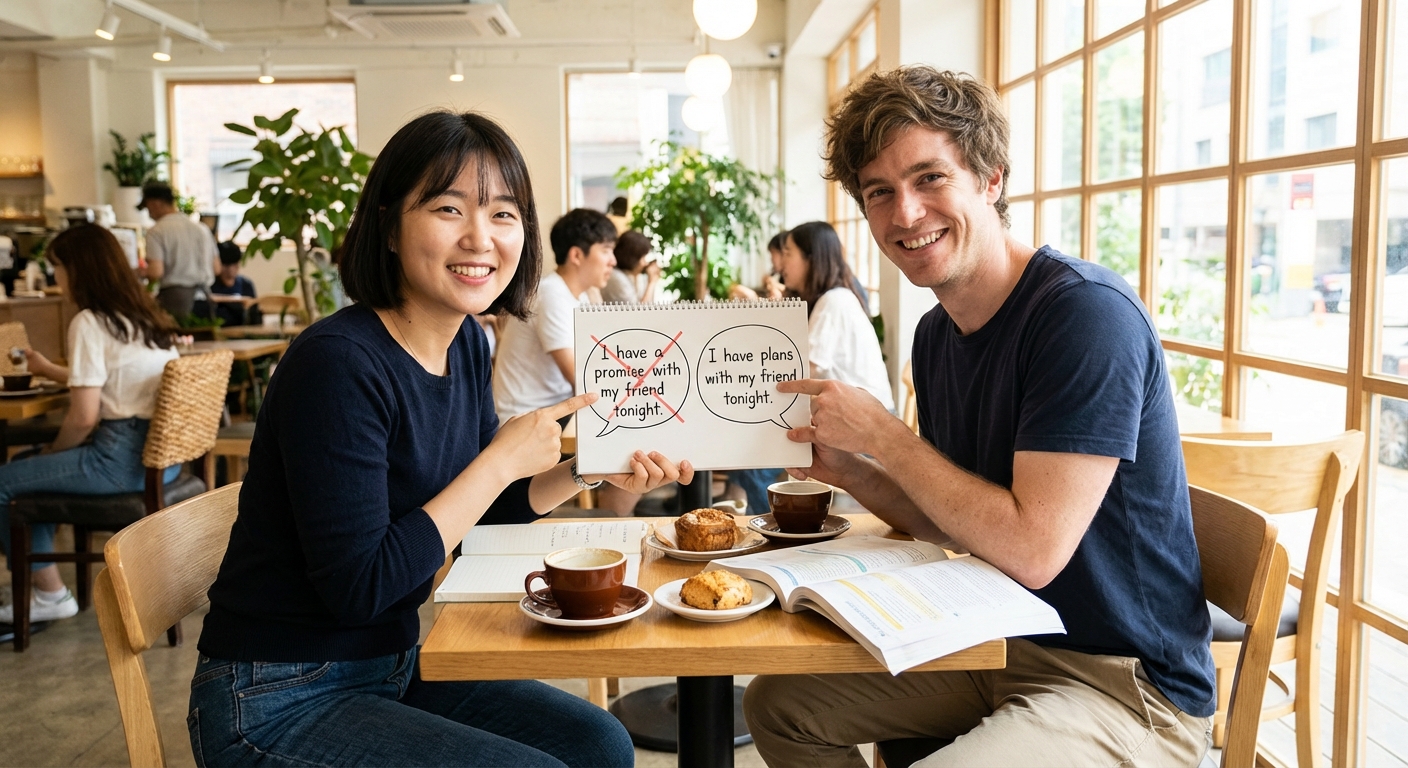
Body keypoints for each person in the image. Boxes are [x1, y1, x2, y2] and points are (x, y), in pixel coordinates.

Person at [188, 111, 691, 767]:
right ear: (390, 225)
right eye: (450, 209)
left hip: (388, 667)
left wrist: (588, 468)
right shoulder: (338, 363)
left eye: (503, 214)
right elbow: (359, 588)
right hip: (274, 697)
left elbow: (485, 514)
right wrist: (497, 460)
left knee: (599, 742)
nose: (480, 238)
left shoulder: (469, 345)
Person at [743, 67, 1214, 767]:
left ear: (991, 179)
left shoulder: (1084, 315)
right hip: (1001, 639)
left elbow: (1032, 548)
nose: (904, 213)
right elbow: (953, 519)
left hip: (1126, 685)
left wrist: (886, 435)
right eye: (879, 193)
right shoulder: (936, 336)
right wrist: (854, 473)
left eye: (930, 178)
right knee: (779, 707)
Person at [0, 224, 180, 626]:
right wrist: (50, 369)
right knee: (30, 468)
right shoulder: (144, 318)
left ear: (78, 270)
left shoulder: (88, 322)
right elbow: (115, 379)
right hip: (160, 460)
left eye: (58, 268)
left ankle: (49, 593)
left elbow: (84, 417)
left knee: (6, 480)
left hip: (117, 460)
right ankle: (45, 587)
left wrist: (53, 453)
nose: (55, 278)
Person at [731, 222, 894, 516]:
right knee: (749, 449)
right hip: (848, 419)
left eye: (788, 253)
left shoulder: (834, 302)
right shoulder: (831, 299)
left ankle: (765, 533)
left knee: (753, 462)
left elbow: (801, 373)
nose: (782, 265)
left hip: (866, 429)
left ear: (811, 258)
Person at [492, 208, 640, 516]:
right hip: (524, 422)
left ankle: (613, 520)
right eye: (606, 250)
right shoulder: (552, 295)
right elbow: (582, 378)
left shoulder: (576, 296)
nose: (613, 260)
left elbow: (603, 358)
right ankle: (612, 522)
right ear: (576, 255)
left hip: (555, 411)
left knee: (633, 432)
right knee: (630, 442)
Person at [139, 181, 217, 319]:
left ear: (154, 203)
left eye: (147, 208)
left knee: (176, 338)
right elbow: (216, 268)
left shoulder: (157, 231)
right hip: (204, 297)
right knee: (203, 338)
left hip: (175, 298)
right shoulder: (202, 228)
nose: (149, 214)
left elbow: (156, 271)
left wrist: (135, 273)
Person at [209, 240, 262, 328]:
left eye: (234, 264)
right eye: (226, 265)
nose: (230, 269)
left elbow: (254, 315)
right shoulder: (210, 286)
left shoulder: (246, 285)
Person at [601, 230, 660, 304]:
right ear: (632, 258)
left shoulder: (633, 276)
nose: (645, 263)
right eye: (643, 258)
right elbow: (640, 312)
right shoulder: (616, 277)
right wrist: (651, 282)